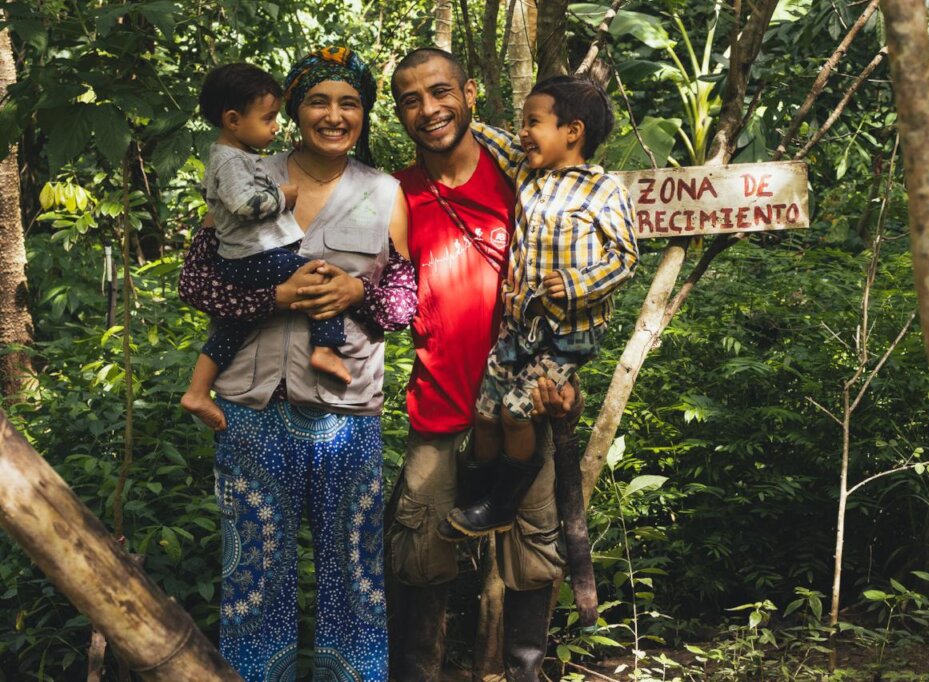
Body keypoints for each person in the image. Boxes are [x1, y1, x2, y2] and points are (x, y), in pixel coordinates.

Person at [178, 46, 416, 682]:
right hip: (249, 410)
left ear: (364, 115)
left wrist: (356, 291)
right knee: (254, 576)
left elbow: (403, 298)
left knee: (357, 578)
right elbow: (197, 280)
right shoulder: (245, 174)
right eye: (318, 100)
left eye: (349, 104)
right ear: (293, 108)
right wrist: (273, 297)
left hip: (347, 415)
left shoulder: (385, 192)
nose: (333, 115)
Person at [386, 47, 580, 682]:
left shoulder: (524, 178)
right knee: (421, 554)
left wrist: (565, 379)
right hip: (439, 403)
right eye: (411, 100)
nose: (429, 109)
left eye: (440, 92)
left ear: (469, 93)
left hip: (523, 401)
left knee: (533, 555)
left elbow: (577, 280)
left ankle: (523, 672)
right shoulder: (397, 195)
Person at [442, 75, 639, 538]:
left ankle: (503, 507)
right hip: (521, 326)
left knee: (515, 412)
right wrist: (460, 112)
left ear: (572, 131)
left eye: (534, 122)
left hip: (570, 333)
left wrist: (575, 284)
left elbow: (626, 257)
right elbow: (492, 139)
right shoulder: (528, 172)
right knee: (487, 413)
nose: (523, 132)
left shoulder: (603, 190)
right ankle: (479, 498)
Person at [181, 62, 352, 433]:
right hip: (252, 256)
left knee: (232, 326)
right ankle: (325, 347)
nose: (275, 126)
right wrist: (282, 194)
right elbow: (244, 205)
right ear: (232, 120)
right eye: (269, 118)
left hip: (245, 258)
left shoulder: (238, 157)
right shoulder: (229, 161)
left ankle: (197, 391)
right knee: (318, 275)